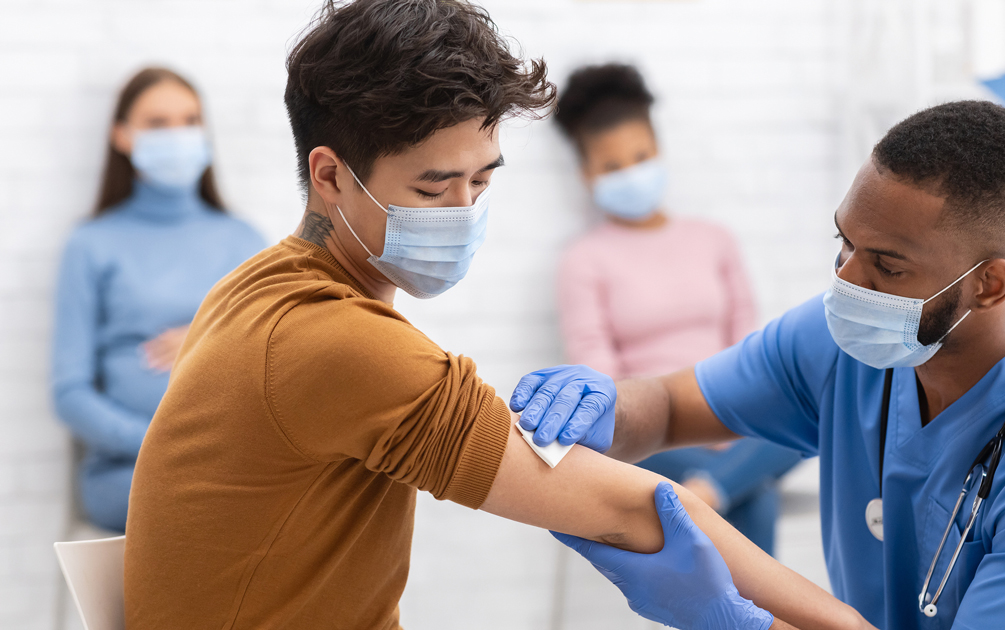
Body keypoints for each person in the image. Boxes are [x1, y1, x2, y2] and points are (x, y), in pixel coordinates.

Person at [122, 2, 876, 629]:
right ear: (331, 177)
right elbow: (637, 508)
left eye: (481, 181)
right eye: (431, 189)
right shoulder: (338, 343)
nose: (462, 213)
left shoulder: (253, 288)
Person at [514, 101, 1005, 629]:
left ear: (991, 285)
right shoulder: (843, 341)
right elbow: (665, 408)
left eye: (887, 265)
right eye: (845, 243)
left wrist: (736, 620)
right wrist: (606, 409)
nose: (847, 282)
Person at [549, 63, 804, 555]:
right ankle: (725, 496)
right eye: (612, 166)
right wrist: (679, 425)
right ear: (587, 174)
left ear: (660, 151)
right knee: (756, 494)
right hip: (649, 436)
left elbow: (747, 347)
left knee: (808, 413)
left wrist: (726, 421)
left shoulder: (714, 240)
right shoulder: (582, 261)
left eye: (641, 156)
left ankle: (705, 496)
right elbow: (599, 377)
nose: (631, 173)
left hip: (731, 413)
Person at [51, 67, 264, 533]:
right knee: (208, 510)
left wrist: (208, 334)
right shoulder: (91, 244)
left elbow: (280, 359)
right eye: (157, 123)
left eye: (190, 120)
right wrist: (160, 443)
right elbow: (70, 393)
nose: (178, 135)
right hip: (128, 471)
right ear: (122, 137)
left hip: (232, 462)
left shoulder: (246, 242)